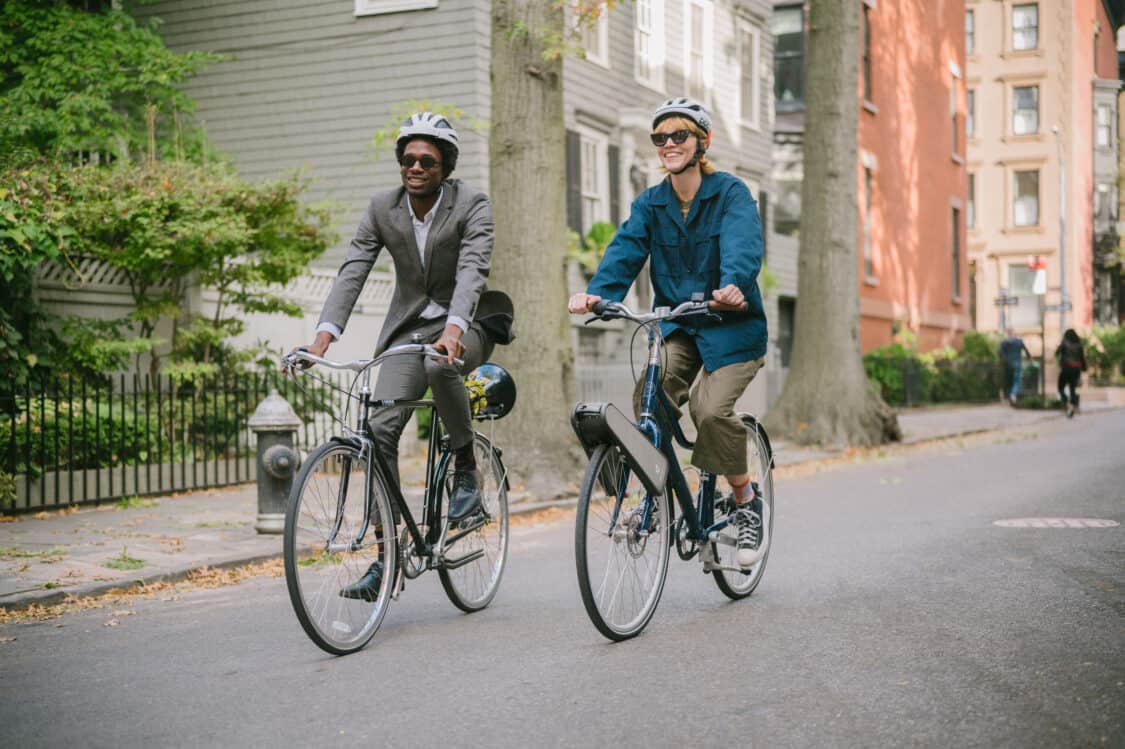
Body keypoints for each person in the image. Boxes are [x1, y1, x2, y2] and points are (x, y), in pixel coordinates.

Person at [293, 112, 510, 602]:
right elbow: (353, 271)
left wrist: (455, 331)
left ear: (444, 166)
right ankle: (386, 557)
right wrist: (320, 342)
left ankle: (465, 469)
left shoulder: (472, 203)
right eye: (408, 159)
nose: (415, 167)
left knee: (440, 364)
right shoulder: (382, 207)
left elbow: (473, 271)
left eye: (427, 161)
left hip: (468, 325)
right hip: (408, 329)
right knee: (377, 433)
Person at [567, 97, 768, 569]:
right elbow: (626, 248)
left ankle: (744, 501)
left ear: (703, 142)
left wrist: (734, 285)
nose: (669, 144)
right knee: (649, 398)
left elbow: (743, 245)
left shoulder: (731, 194)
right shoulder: (651, 203)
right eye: (661, 138)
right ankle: (655, 496)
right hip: (679, 325)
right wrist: (598, 294)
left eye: (679, 135)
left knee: (710, 409)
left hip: (732, 327)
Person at [1055, 328, 1087, 418]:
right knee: (1072, 388)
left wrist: (1059, 358)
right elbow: (1082, 358)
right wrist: (1084, 368)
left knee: (1060, 387)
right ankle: (1073, 405)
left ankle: (1066, 401)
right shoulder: (1079, 344)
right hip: (1076, 369)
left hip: (1066, 368)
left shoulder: (1064, 342)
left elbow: (1057, 353)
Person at [998, 328, 1031, 406]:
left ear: (1008, 333)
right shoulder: (1019, 341)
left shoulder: (1004, 342)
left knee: (1009, 380)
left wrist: (1005, 360)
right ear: (1014, 333)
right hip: (1017, 362)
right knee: (1017, 380)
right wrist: (1029, 358)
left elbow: (1000, 353)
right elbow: (1026, 350)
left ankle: (1010, 396)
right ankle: (1013, 394)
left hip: (1008, 364)